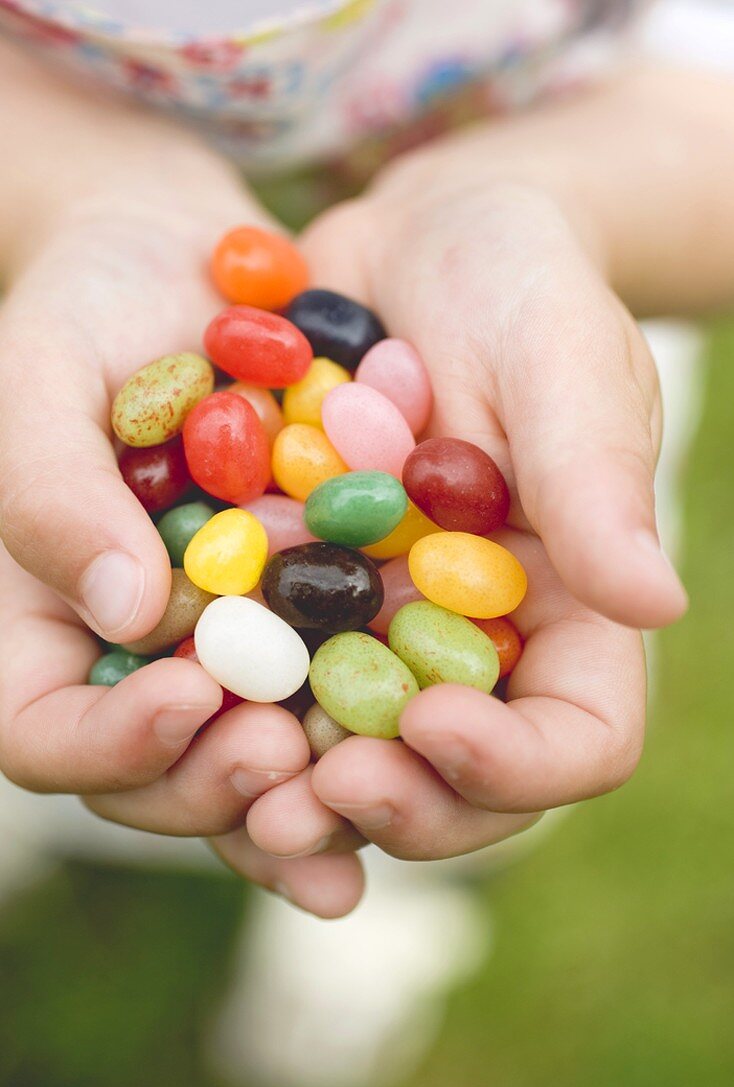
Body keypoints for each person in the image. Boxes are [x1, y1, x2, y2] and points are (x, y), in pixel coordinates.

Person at [0, 0, 731, 913]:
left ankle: (387, 915)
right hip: (42, 375)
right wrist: (59, 194)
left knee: (438, 761)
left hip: (517, 393)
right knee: (89, 687)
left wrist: (551, 198)